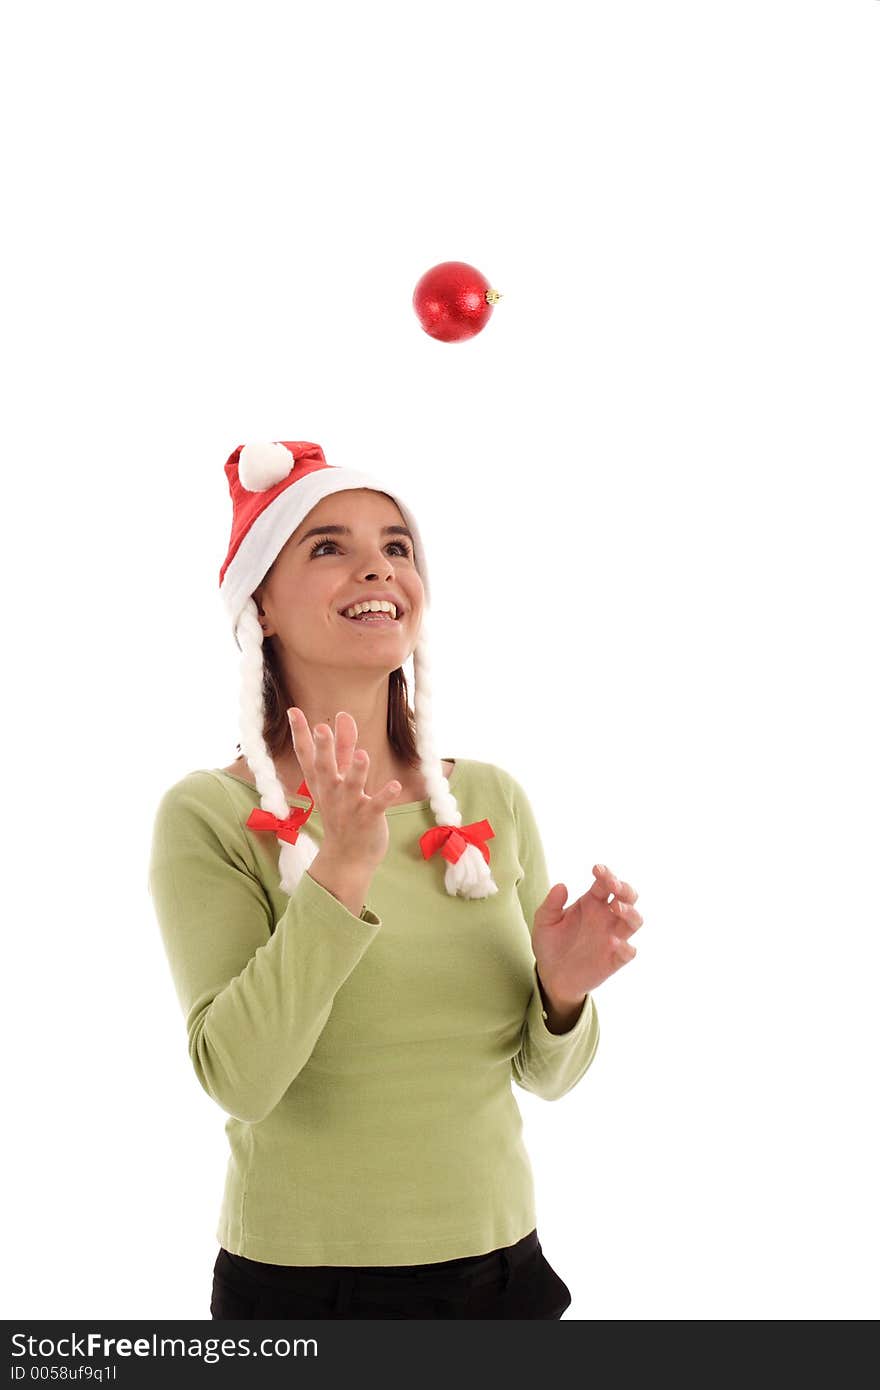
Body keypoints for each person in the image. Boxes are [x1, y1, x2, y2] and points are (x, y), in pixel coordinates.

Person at [147, 439, 643, 1319]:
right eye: (328, 546)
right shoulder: (208, 818)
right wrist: (338, 873)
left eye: (397, 546)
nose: (377, 566)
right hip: (308, 1293)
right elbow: (238, 1079)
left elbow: (546, 1075)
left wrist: (563, 995)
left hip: (505, 1273)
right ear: (258, 603)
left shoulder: (485, 798)